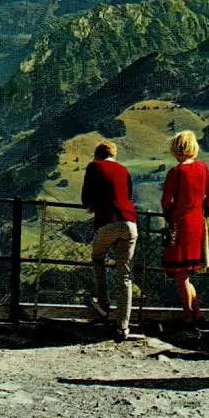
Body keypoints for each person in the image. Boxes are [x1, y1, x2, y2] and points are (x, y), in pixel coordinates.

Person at [81, 141, 138, 342]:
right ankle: (123, 327)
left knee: (98, 258)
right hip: (130, 224)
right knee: (125, 276)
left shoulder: (94, 166)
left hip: (108, 223)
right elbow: (128, 195)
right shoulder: (124, 169)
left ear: (97, 155)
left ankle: (103, 304)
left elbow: (86, 199)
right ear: (114, 155)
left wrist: (93, 206)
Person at [161, 130, 209, 325]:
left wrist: (170, 217)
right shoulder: (203, 168)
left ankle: (187, 316)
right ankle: (197, 313)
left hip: (180, 225)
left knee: (180, 275)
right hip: (197, 224)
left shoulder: (175, 172)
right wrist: (205, 212)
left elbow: (166, 201)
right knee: (185, 273)